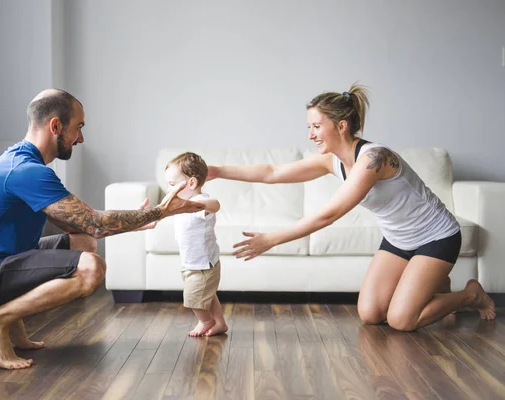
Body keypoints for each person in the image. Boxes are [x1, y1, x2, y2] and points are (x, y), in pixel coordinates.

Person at [0, 89, 204, 370]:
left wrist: (140, 221)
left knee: (82, 244)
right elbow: (94, 222)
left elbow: (83, 227)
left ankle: (13, 327)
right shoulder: (26, 170)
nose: (80, 138)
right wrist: (159, 211)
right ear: (55, 126)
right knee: (91, 267)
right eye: (78, 128)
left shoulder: (21, 162)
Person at [207, 83, 496, 331]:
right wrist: (219, 170)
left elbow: (331, 214)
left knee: (401, 320)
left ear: (341, 126)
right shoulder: (330, 159)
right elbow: (272, 172)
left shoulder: (374, 159)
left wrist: (271, 239)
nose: (310, 134)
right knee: (371, 315)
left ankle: (470, 295)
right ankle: (436, 284)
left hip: (436, 238)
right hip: (398, 241)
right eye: (309, 127)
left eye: (317, 126)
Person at [164, 152, 228, 337]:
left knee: (193, 300)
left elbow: (215, 205)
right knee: (208, 295)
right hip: (192, 263)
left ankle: (206, 322)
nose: (169, 190)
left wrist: (199, 205)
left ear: (191, 183)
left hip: (203, 265)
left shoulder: (198, 202)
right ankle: (220, 323)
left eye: (172, 185)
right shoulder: (180, 203)